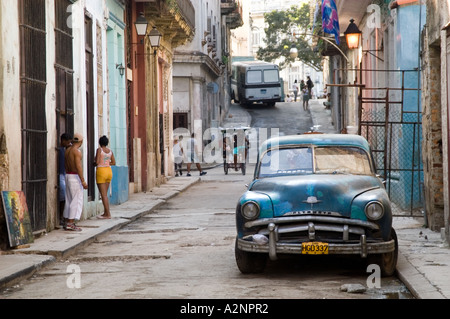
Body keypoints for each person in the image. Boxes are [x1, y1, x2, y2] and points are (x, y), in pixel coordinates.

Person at [63, 133, 88, 231]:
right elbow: (78, 167)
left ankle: (66, 221)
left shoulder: (67, 150)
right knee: (76, 200)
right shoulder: (76, 152)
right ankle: (70, 223)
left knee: (69, 199)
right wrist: (83, 181)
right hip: (74, 176)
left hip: (67, 175)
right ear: (81, 142)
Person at [95, 135, 116, 219]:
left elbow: (97, 162)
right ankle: (105, 213)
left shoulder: (99, 150)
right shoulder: (110, 151)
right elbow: (113, 162)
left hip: (101, 171)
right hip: (108, 171)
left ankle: (107, 214)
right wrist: (107, 163)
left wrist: (95, 162)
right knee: (105, 194)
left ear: (100, 142)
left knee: (103, 195)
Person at [58, 133, 72, 228]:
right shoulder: (60, 150)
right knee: (63, 196)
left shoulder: (66, 150)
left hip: (65, 174)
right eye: (67, 142)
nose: (69, 143)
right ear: (63, 141)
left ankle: (64, 217)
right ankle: (61, 217)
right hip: (61, 174)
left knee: (65, 196)